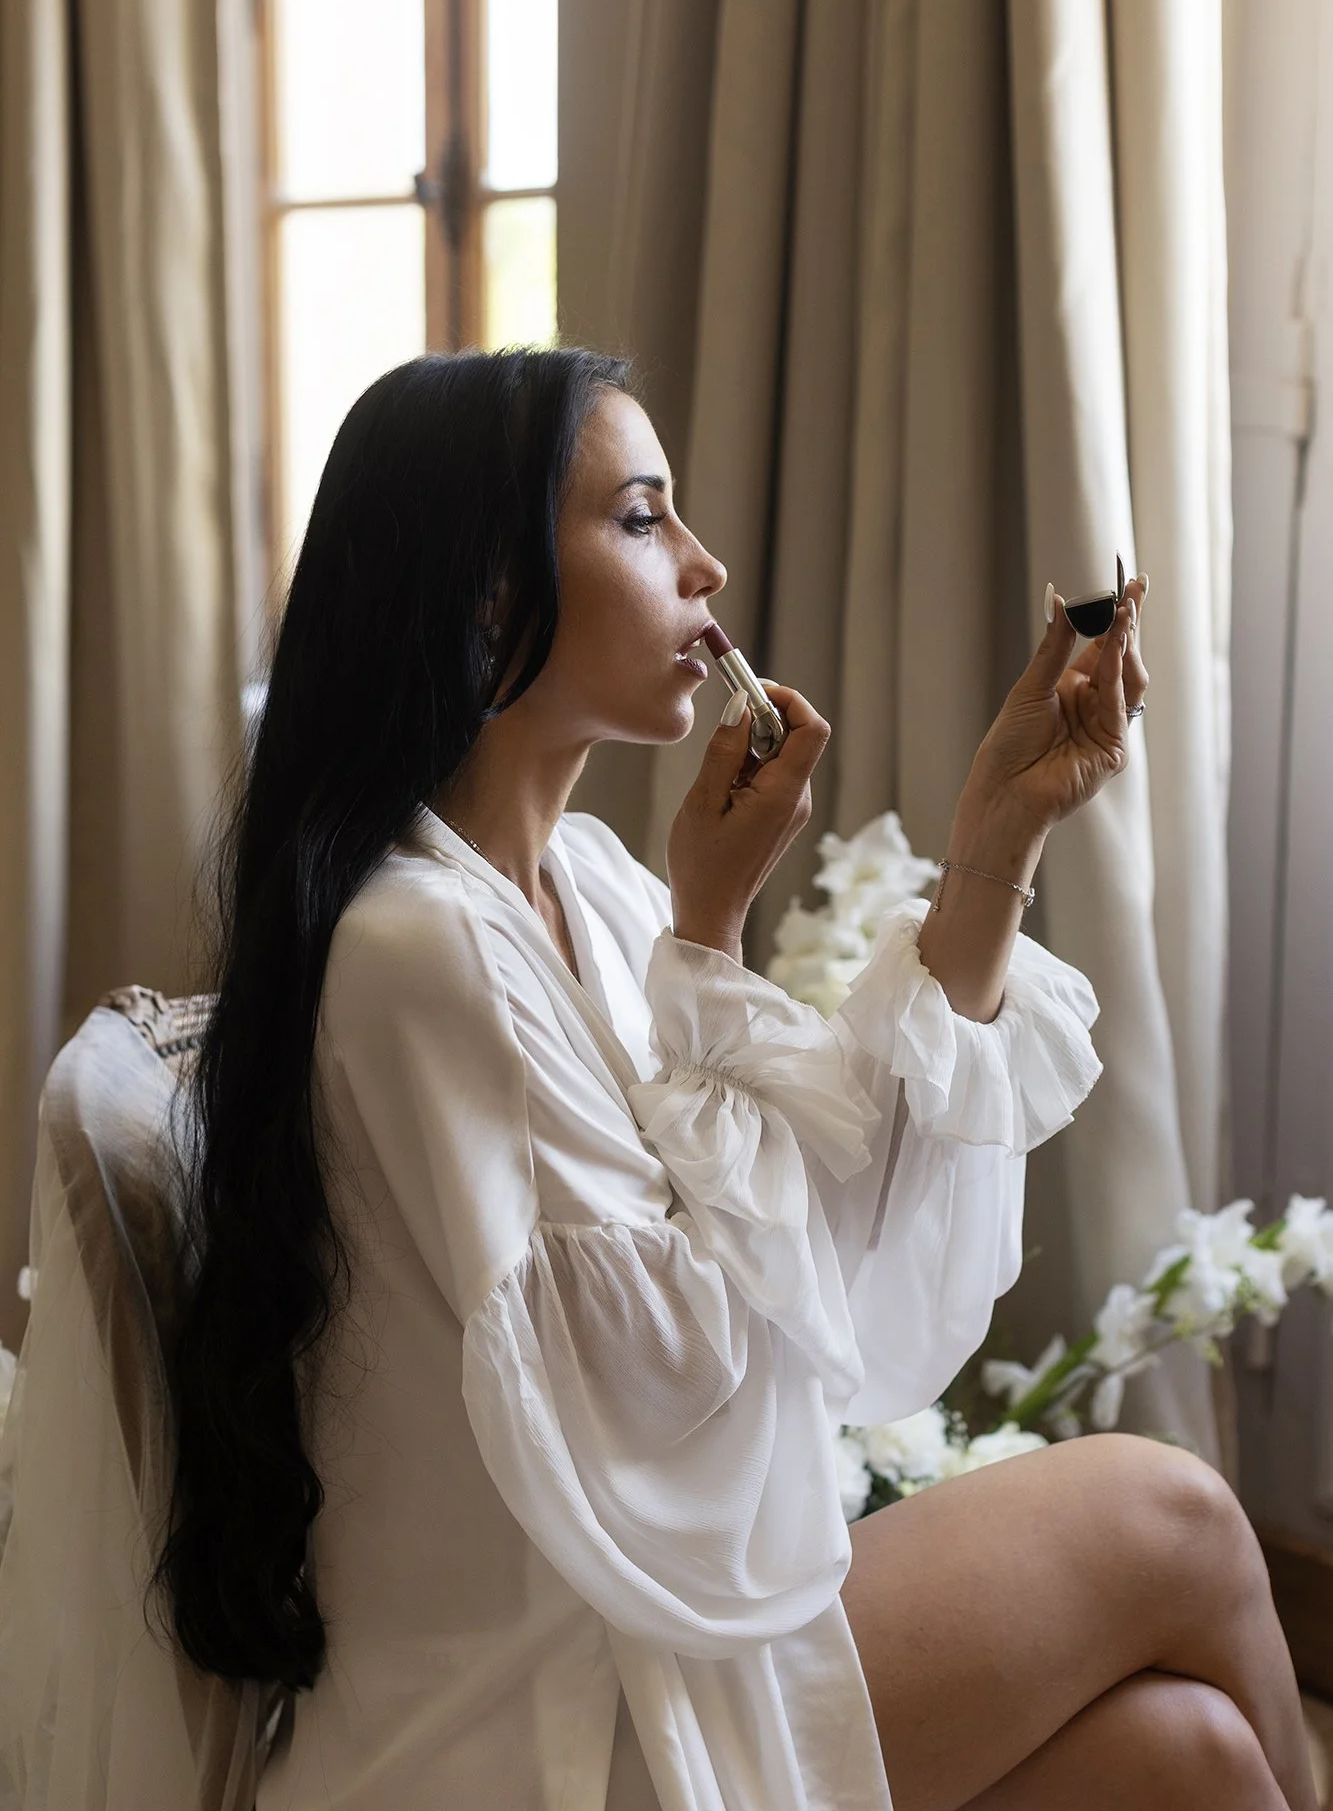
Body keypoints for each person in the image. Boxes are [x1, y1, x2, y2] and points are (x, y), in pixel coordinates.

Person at [158, 348, 1314, 1810]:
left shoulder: (587, 880)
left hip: (643, 1626)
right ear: (492, 593)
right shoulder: (418, 946)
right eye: (642, 521)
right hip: (552, 1711)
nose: (704, 565)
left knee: (1188, 1759)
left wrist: (995, 843)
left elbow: (834, 1254)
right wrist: (708, 936)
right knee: (1183, 1519)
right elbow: (673, 1404)